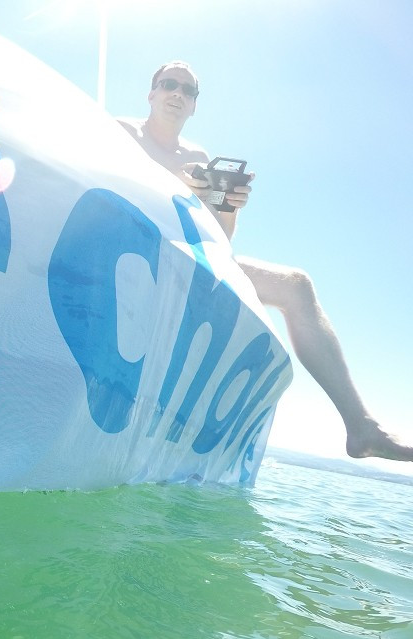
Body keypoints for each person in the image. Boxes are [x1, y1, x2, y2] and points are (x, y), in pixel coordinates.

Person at [118, 61, 413, 463]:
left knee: (297, 284)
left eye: (188, 91)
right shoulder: (120, 133)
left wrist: (230, 208)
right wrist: (168, 183)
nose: (178, 94)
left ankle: (362, 428)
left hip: (189, 257)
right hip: (133, 248)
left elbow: (220, 240)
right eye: (169, 84)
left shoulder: (199, 155)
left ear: (194, 106)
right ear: (151, 93)